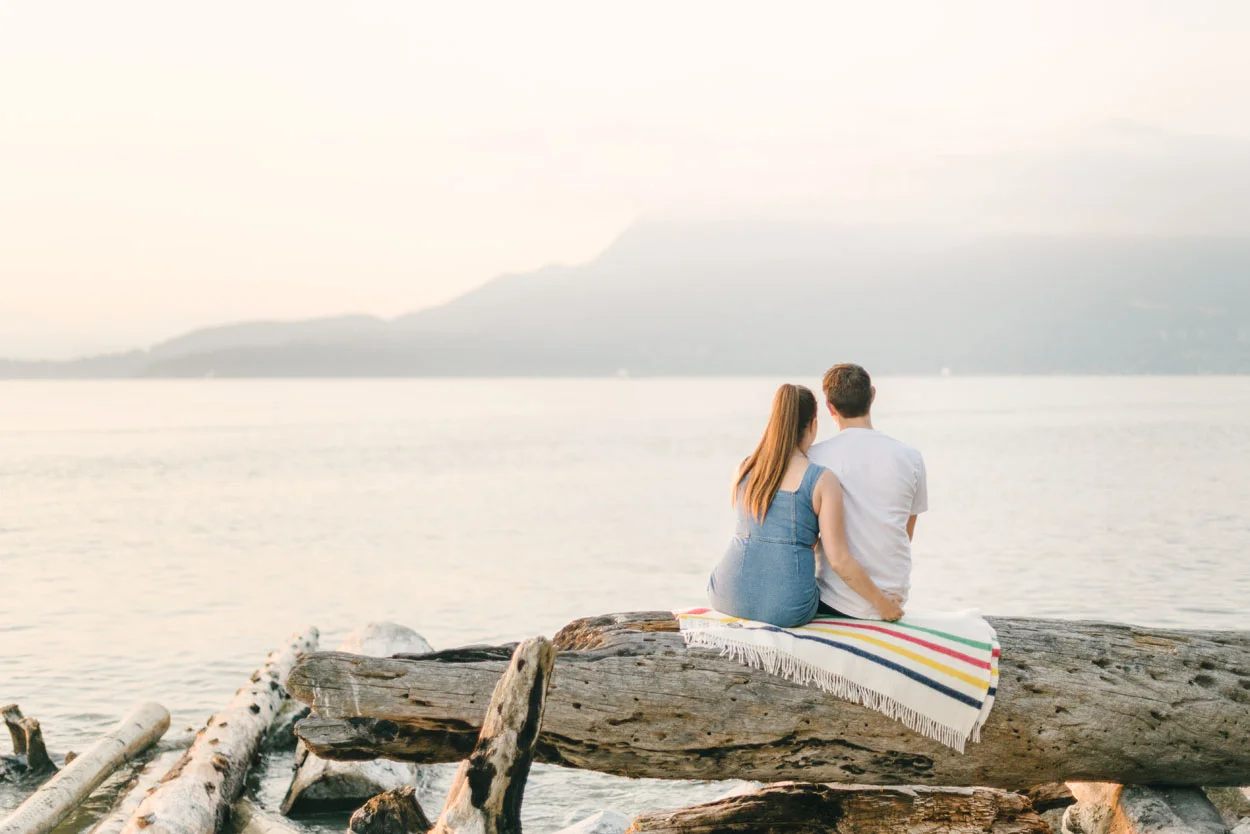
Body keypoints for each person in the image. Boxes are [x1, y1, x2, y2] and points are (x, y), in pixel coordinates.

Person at [707, 383, 905, 627]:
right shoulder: (821, 480)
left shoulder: (745, 467)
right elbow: (839, 560)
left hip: (724, 594)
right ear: (813, 424)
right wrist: (883, 604)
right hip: (787, 609)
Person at [808, 364, 927, 620]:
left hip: (837, 601)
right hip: (894, 595)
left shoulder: (814, 457)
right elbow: (905, 532)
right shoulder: (910, 457)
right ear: (872, 395)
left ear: (830, 407)